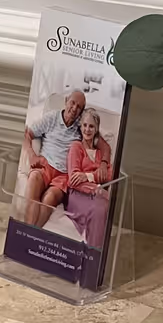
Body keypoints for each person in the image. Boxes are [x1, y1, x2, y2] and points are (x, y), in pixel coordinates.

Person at [21, 87, 86, 226]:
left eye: (79, 107)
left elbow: (102, 144)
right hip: (45, 165)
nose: (74, 108)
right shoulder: (52, 117)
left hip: (63, 175)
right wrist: (32, 155)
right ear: (66, 101)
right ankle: (26, 234)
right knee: (33, 179)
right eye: (72, 103)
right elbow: (26, 134)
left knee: (49, 198)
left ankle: (30, 236)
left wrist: (104, 162)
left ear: (81, 112)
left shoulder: (82, 129)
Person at [64, 106, 115, 256]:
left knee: (103, 206)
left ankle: (93, 255)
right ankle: (93, 255)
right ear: (80, 127)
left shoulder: (100, 154)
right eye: (85, 125)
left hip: (97, 195)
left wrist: (87, 176)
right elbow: (73, 180)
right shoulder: (76, 147)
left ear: (97, 129)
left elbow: (110, 174)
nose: (87, 129)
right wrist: (96, 185)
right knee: (100, 208)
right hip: (77, 196)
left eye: (91, 126)